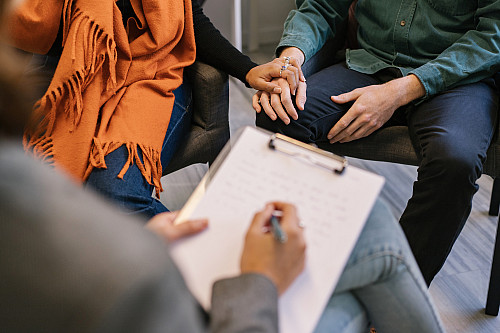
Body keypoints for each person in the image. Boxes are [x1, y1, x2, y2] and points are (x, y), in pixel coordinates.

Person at [0, 8, 444, 331]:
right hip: (197, 306)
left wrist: (250, 71)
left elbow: (190, 17)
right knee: (373, 232)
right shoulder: (121, 283)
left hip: (141, 84)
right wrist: (255, 282)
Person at [255, 0, 500, 285]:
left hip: (456, 79)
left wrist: (399, 91)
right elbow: (322, 7)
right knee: (279, 113)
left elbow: (493, 35)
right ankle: (299, 262)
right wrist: (290, 60)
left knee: (455, 161)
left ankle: (393, 292)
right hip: (370, 62)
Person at [5, 0, 304, 218]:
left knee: (115, 196)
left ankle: (211, 265)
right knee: (33, 192)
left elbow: (189, 17)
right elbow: (29, 23)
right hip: (77, 74)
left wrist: (247, 71)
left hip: (154, 73)